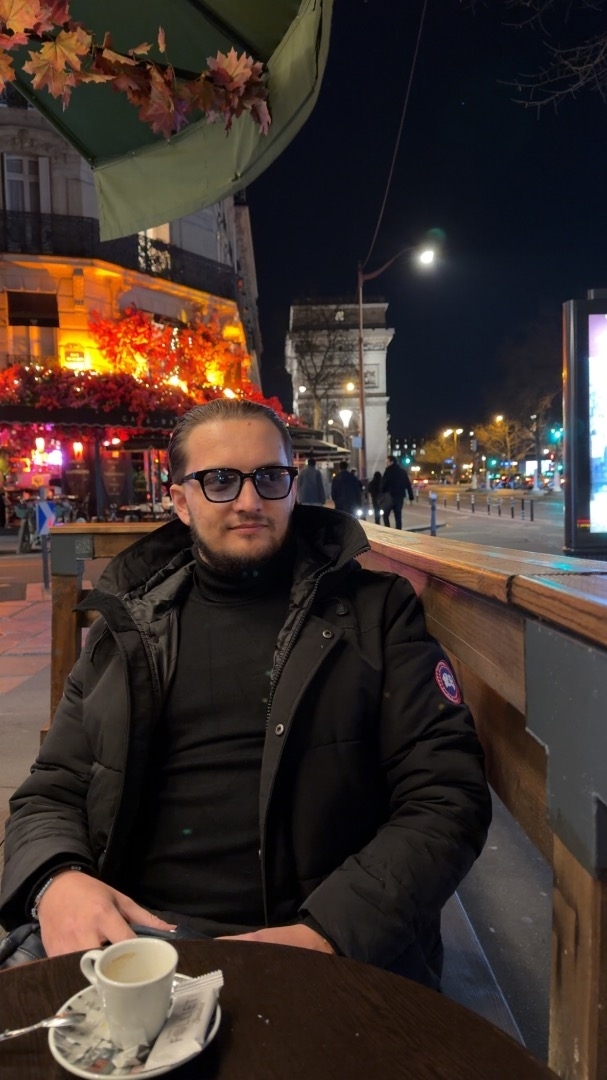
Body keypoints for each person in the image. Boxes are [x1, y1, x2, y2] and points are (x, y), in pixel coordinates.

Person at [0, 399, 491, 989]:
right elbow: (51, 792)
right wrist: (56, 880)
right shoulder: (126, 627)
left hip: (318, 944)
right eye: (220, 481)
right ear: (180, 500)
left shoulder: (375, 613)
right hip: (133, 943)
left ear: (293, 487)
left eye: (270, 477)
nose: (250, 501)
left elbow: (447, 795)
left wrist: (329, 931)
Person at [381, 455, 415, 530]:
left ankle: (388, 530)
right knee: (398, 516)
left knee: (385, 515)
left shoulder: (388, 471)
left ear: (391, 462)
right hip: (399, 497)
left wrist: (381, 494)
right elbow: (408, 485)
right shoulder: (402, 472)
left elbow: (384, 484)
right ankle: (398, 531)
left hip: (389, 496)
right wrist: (411, 498)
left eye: (387, 462)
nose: (386, 463)